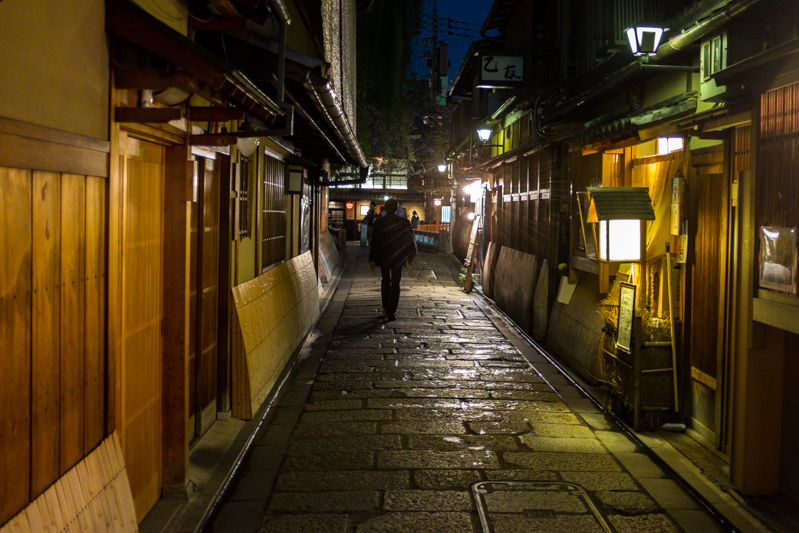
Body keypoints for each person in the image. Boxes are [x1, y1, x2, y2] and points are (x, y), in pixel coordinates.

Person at [369, 198, 416, 321]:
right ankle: (392, 311)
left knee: (385, 280)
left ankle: (385, 307)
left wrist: (372, 258)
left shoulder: (379, 223)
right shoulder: (404, 222)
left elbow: (374, 242)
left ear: (385, 208)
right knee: (396, 283)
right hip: (398, 257)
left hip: (384, 256)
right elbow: (410, 239)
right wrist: (410, 255)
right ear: (396, 209)